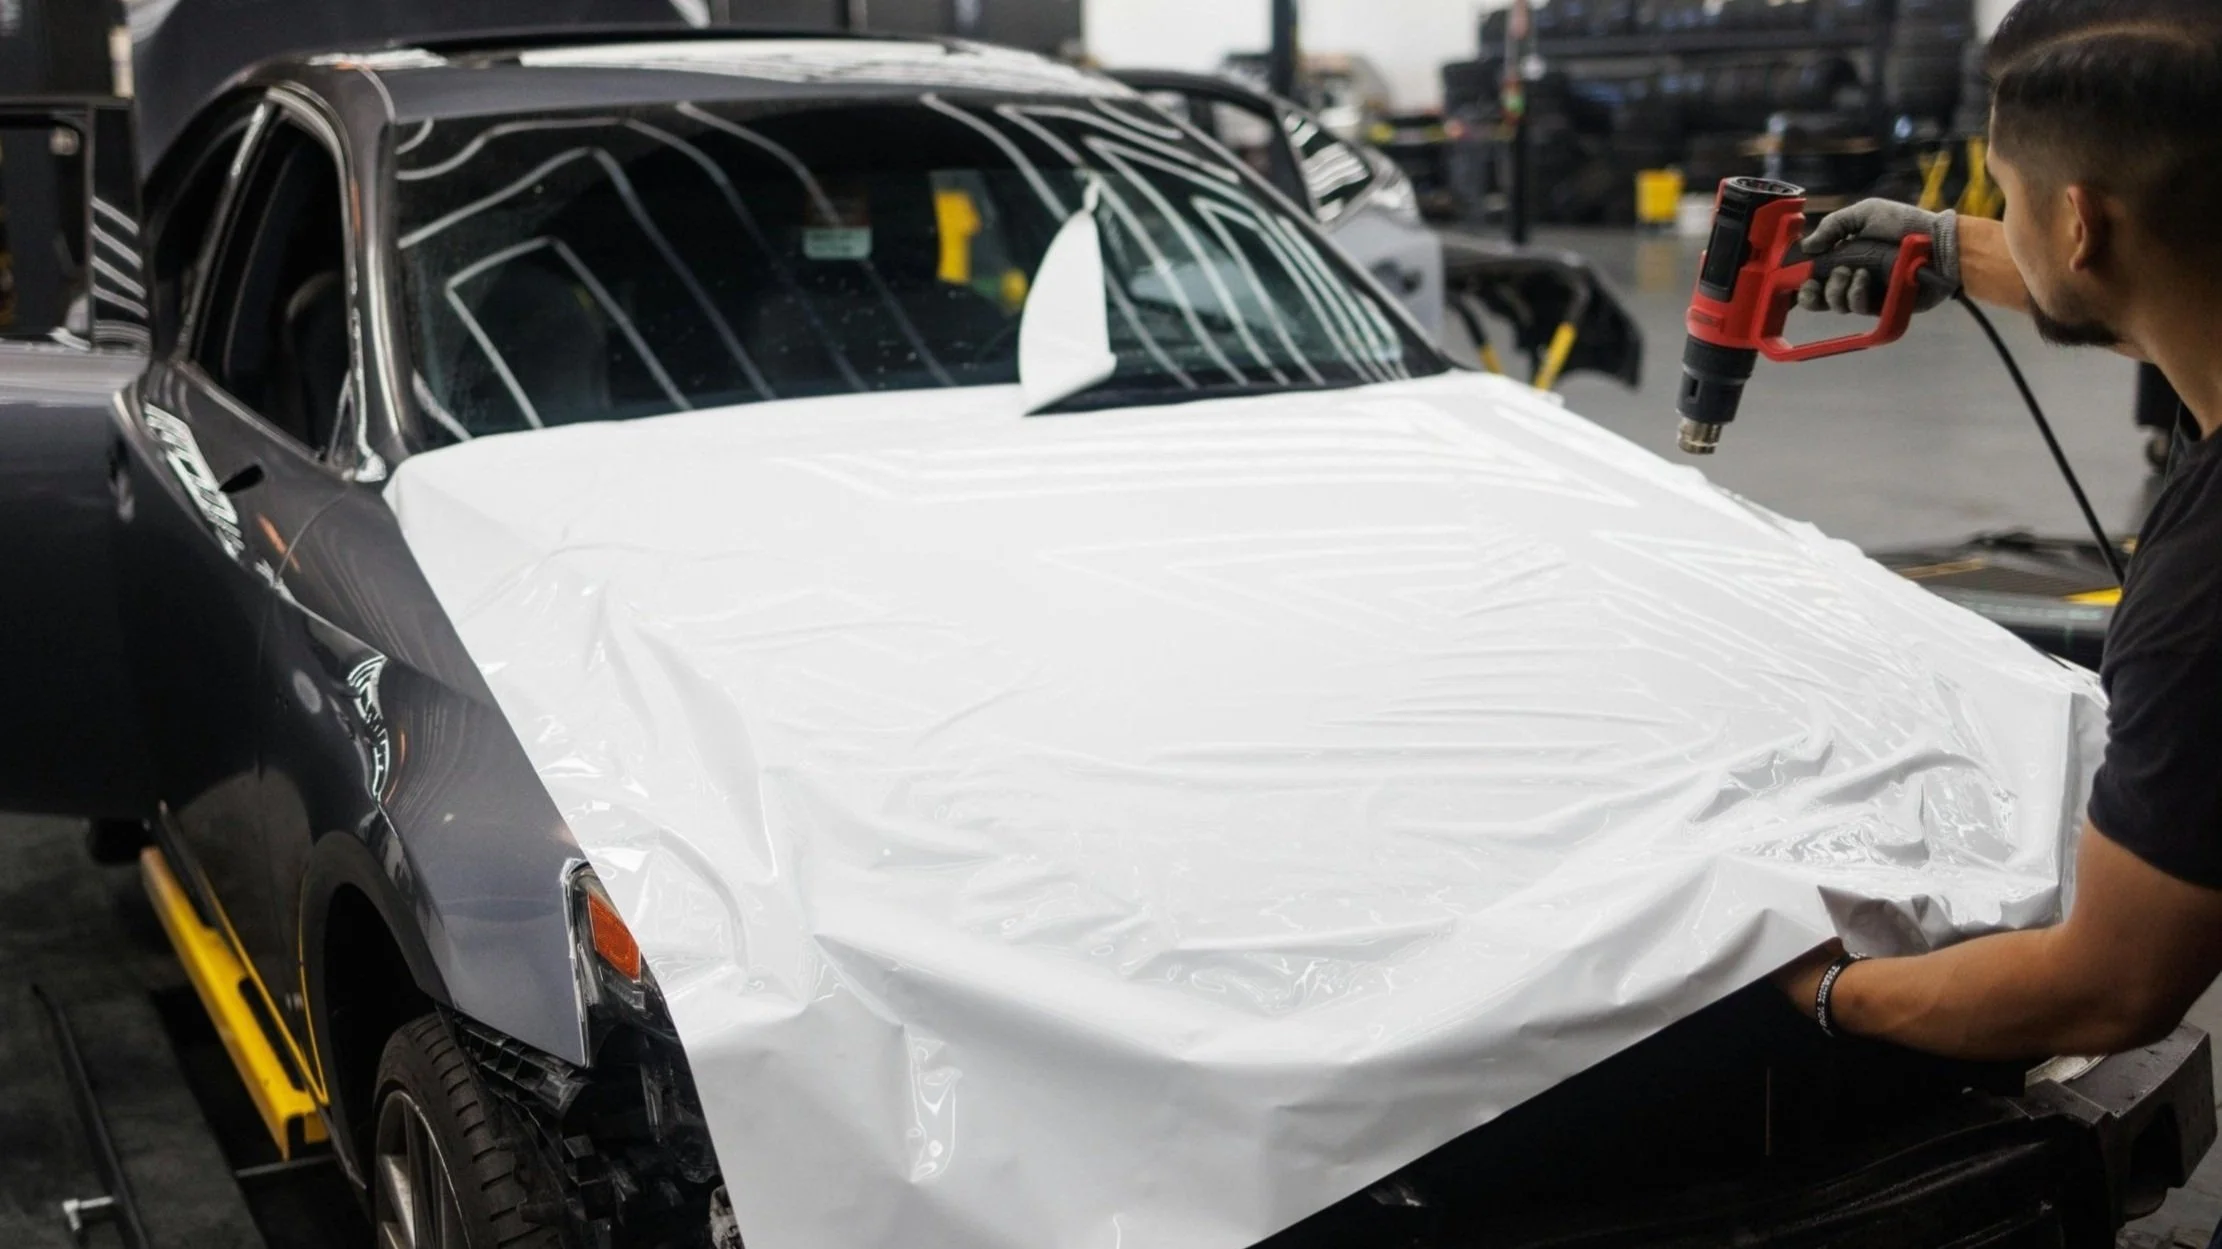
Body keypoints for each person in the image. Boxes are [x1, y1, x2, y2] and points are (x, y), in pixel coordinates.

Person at [1774, 0, 2222, 1089]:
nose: (1994, 219)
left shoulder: (2199, 611)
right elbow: (2141, 277)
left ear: (2077, 223)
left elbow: (2108, 987)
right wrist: (1942, 245)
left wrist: (1820, 990)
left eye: (2000, 197)